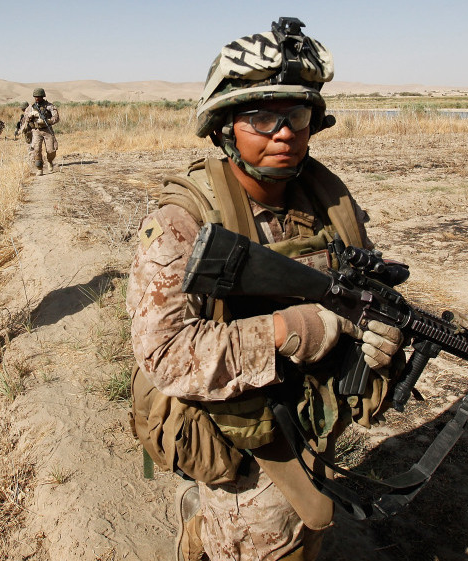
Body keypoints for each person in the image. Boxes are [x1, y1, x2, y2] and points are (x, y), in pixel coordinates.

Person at [127, 18, 404, 561]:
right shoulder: (186, 222)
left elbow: (357, 286)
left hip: (310, 410)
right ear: (225, 127)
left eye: (296, 115)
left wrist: (379, 329)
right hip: (234, 425)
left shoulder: (325, 201)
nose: (284, 132)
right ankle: (204, 530)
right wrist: (287, 330)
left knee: (309, 533)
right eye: (261, 117)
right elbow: (164, 353)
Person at [18, 88, 60, 175]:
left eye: (39, 97)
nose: (37, 98)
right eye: (35, 97)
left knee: (51, 150)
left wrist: (48, 121)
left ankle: (49, 161)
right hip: (36, 131)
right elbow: (25, 118)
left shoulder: (49, 106)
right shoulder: (31, 108)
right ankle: (39, 168)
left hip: (47, 129)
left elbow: (56, 118)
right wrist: (30, 116)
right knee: (36, 150)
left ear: (42, 96)